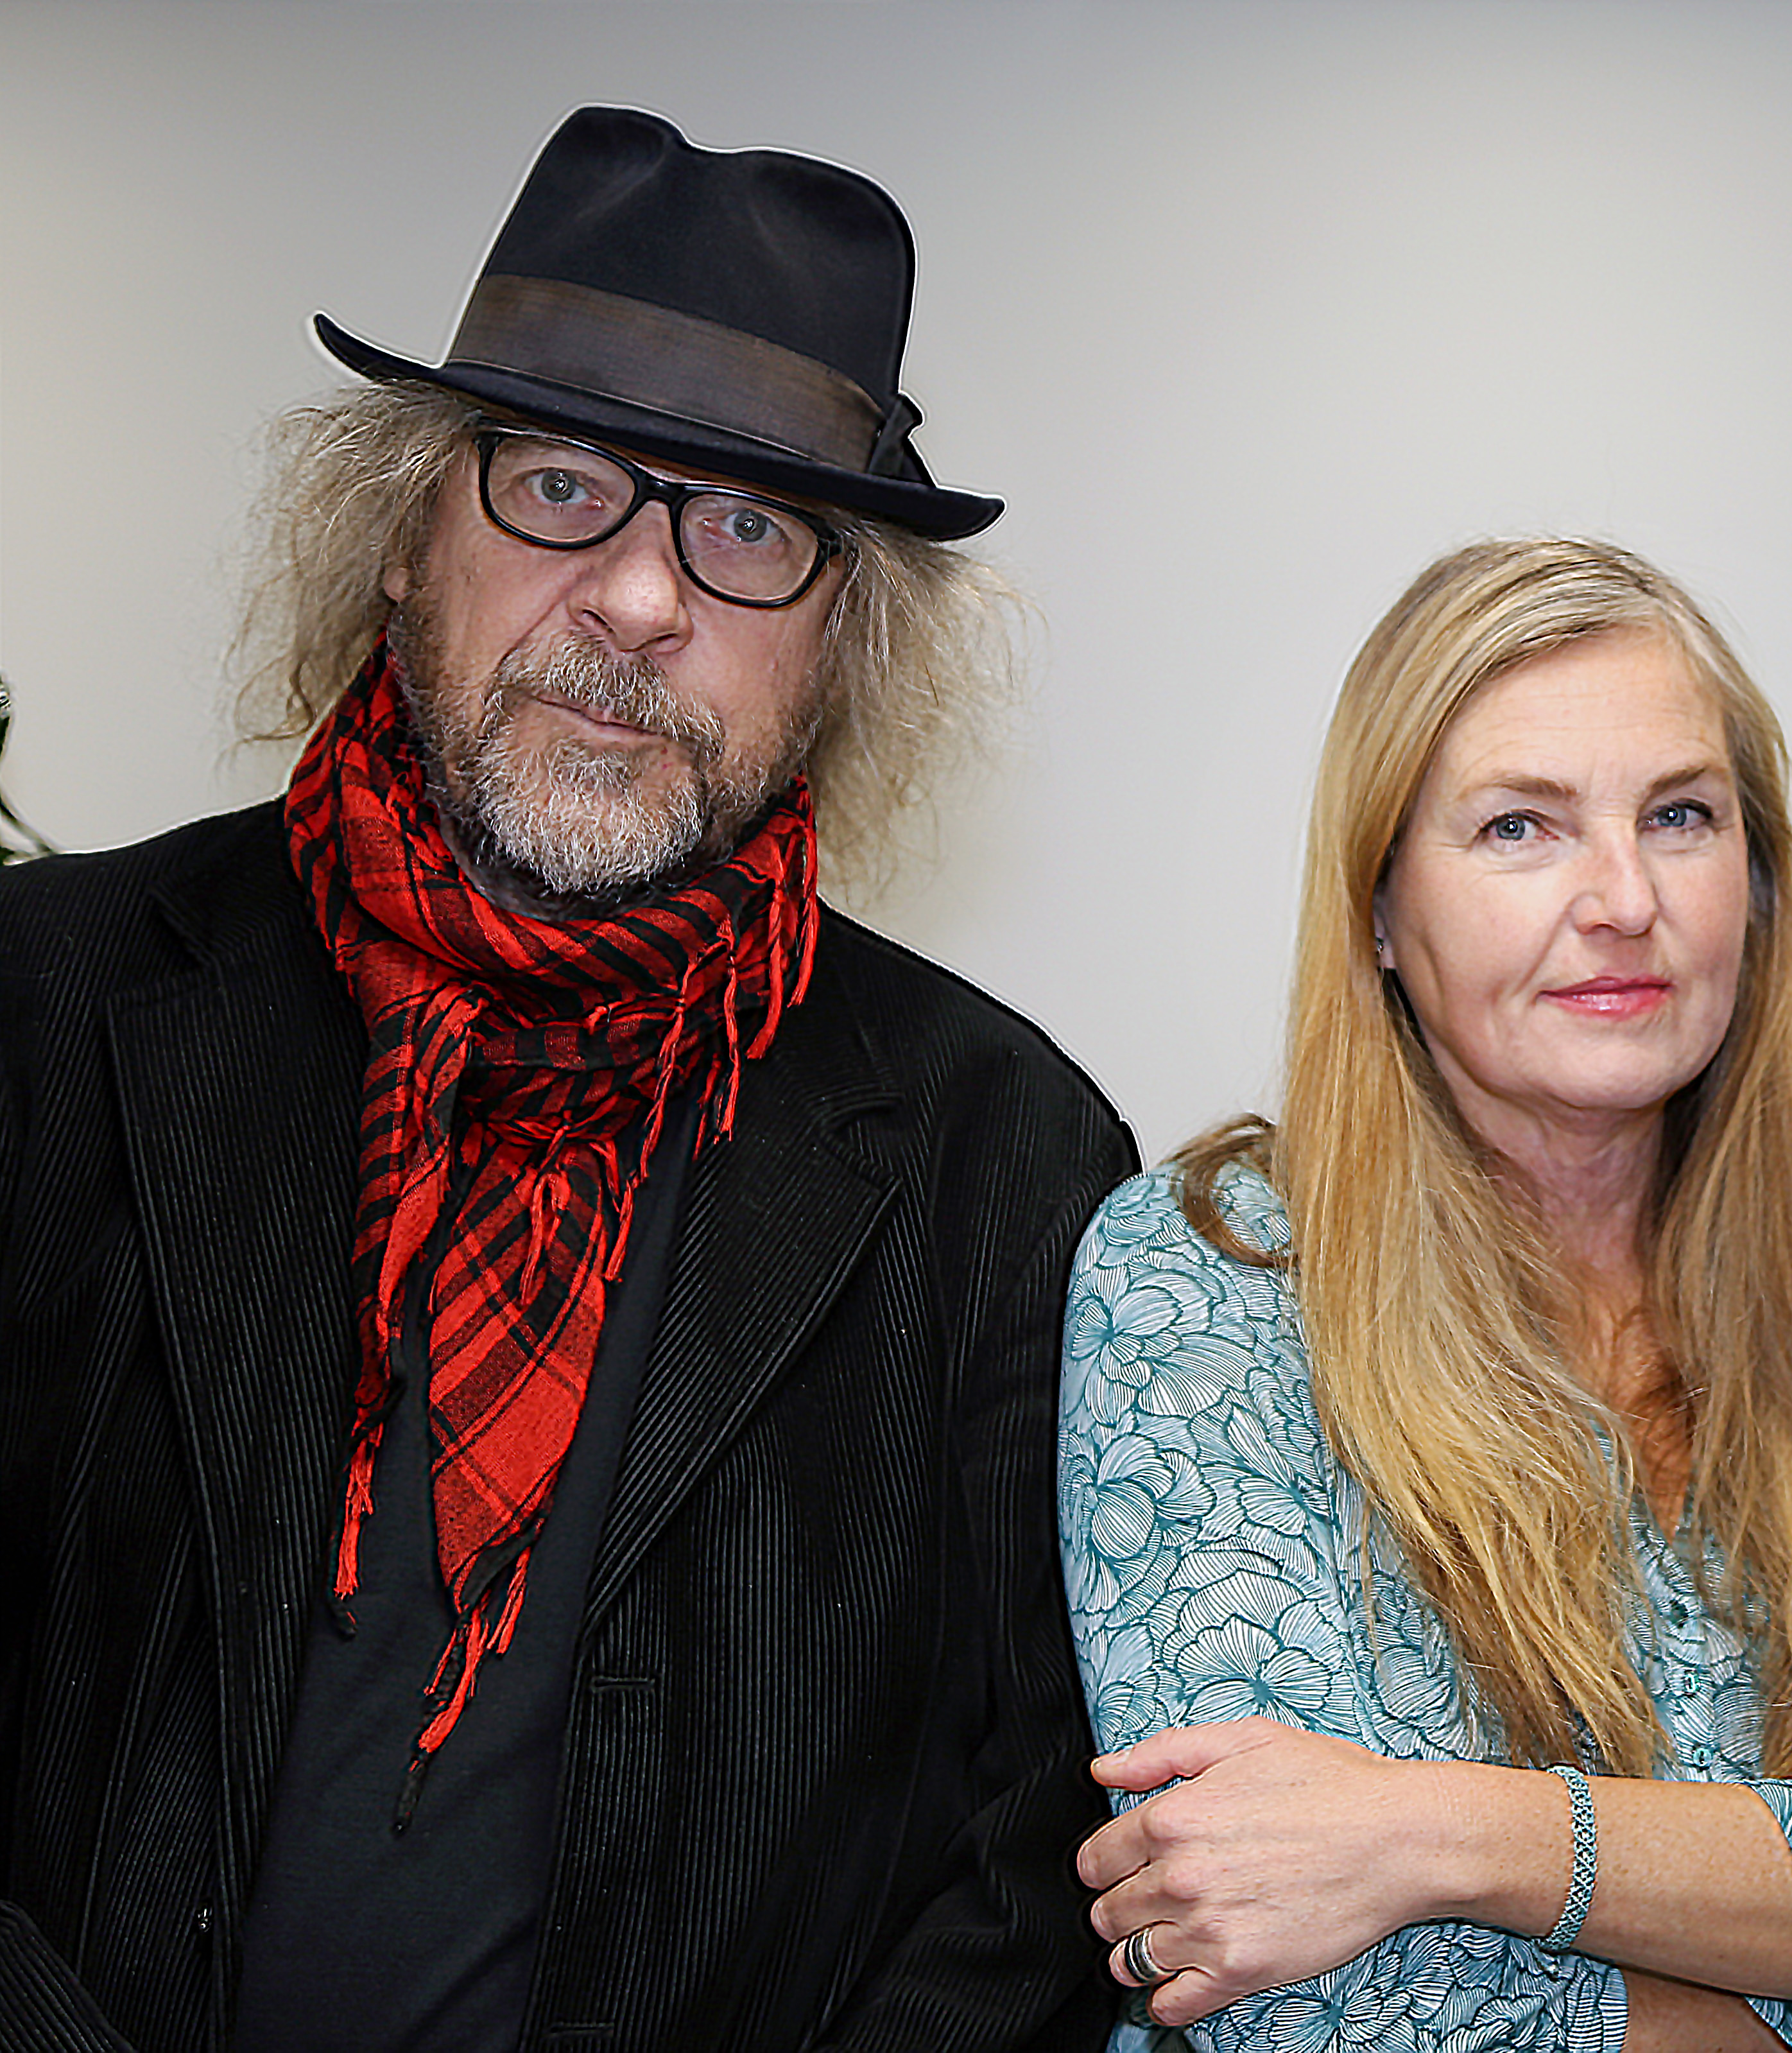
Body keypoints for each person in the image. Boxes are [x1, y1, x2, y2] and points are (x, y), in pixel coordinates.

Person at [0, 107, 1132, 2048]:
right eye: (560, 485)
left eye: (751, 529)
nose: (638, 599)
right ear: (403, 542)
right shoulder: (44, 1005)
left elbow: (1043, 1847)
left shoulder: (1002, 1153)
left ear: (838, 648)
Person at [1058, 537, 1792, 2050]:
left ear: (1760, 887)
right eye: (1519, 826)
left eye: (1680, 816)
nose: (1622, 898)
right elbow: (1304, 2002)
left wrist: (1448, 1835)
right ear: (1381, 911)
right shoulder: (1213, 1277)